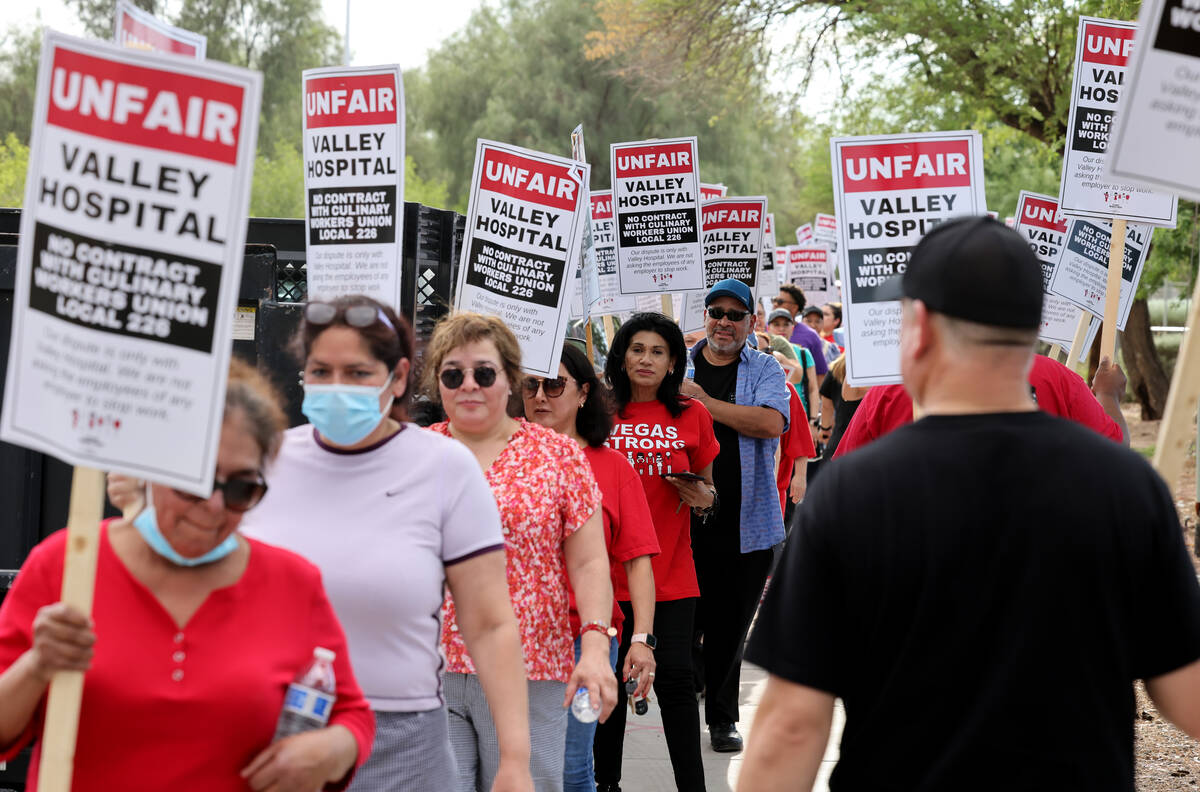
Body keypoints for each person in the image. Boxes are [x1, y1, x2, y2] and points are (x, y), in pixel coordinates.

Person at [740, 216, 1200, 791]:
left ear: (922, 327)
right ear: (1031, 327)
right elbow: (1187, 693)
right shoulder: (1127, 488)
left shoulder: (854, 494)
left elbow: (790, 727)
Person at [0, 360, 375, 791]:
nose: (213, 507)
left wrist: (333, 749)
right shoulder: (67, 564)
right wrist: (37, 665)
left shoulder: (294, 582)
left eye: (240, 489)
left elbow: (354, 715)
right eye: (194, 484)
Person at [234, 296, 530, 792]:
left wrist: (515, 760)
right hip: (272, 733)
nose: (336, 387)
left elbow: (491, 623)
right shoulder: (267, 460)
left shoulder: (444, 468)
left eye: (356, 372)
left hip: (401, 743)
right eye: (320, 371)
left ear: (396, 378)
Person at [423, 312, 616, 792]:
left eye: (483, 373)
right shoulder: (414, 455)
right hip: (429, 670)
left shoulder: (558, 456)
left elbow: (590, 561)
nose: (468, 385)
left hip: (529, 666)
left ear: (509, 378)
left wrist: (594, 646)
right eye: (453, 374)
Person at [520, 343, 660, 792]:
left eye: (555, 385)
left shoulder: (613, 468)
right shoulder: (502, 460)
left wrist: (642, 641)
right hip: (509, 638)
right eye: (530, 385)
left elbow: (638, 561)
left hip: (587, 643)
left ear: (583, 393)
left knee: (571, 766)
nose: (541, 396)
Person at [594, 312, 719, 792]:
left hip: (670, 573)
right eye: (637, 349)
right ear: (621, 356)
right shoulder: (596, 410)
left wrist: (701, 498)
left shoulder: (693, 415)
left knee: (675, 684)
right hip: (603, 574)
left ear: (672, 363)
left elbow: (712, 493)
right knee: (609, 681)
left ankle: (692, 786)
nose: (646, 359)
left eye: (658, 351)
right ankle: (606, 784)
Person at [683, 278, 790, 753]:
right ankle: (684, 698)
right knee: (683, 621)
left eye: (734, 314)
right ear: (704, 315)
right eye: (716, 312)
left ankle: (723, 719)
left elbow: (771, 422)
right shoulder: (676, 363)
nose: (724, 322)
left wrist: (704, 403)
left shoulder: (765, 367)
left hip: (747, 521)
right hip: (681, 520)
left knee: (730, 626)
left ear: (751, 321)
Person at [834, 352, 1129, 458]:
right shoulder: (1055, 377)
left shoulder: (892, 385)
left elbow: (844, 487)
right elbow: (1115, 451)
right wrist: (1108, 395)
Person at [772, 284, 828, 379]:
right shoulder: (763, 331)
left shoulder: (811, 335)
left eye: (780, 301)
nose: (775, 304)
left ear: (794, 307)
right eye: (773, 300)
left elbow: (820, 375)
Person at [816, 353, 863, 460]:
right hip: (868, 437)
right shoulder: (878, 371)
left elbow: (826, 406)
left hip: (841, 436)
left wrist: (825, 429)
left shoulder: (836, 368)